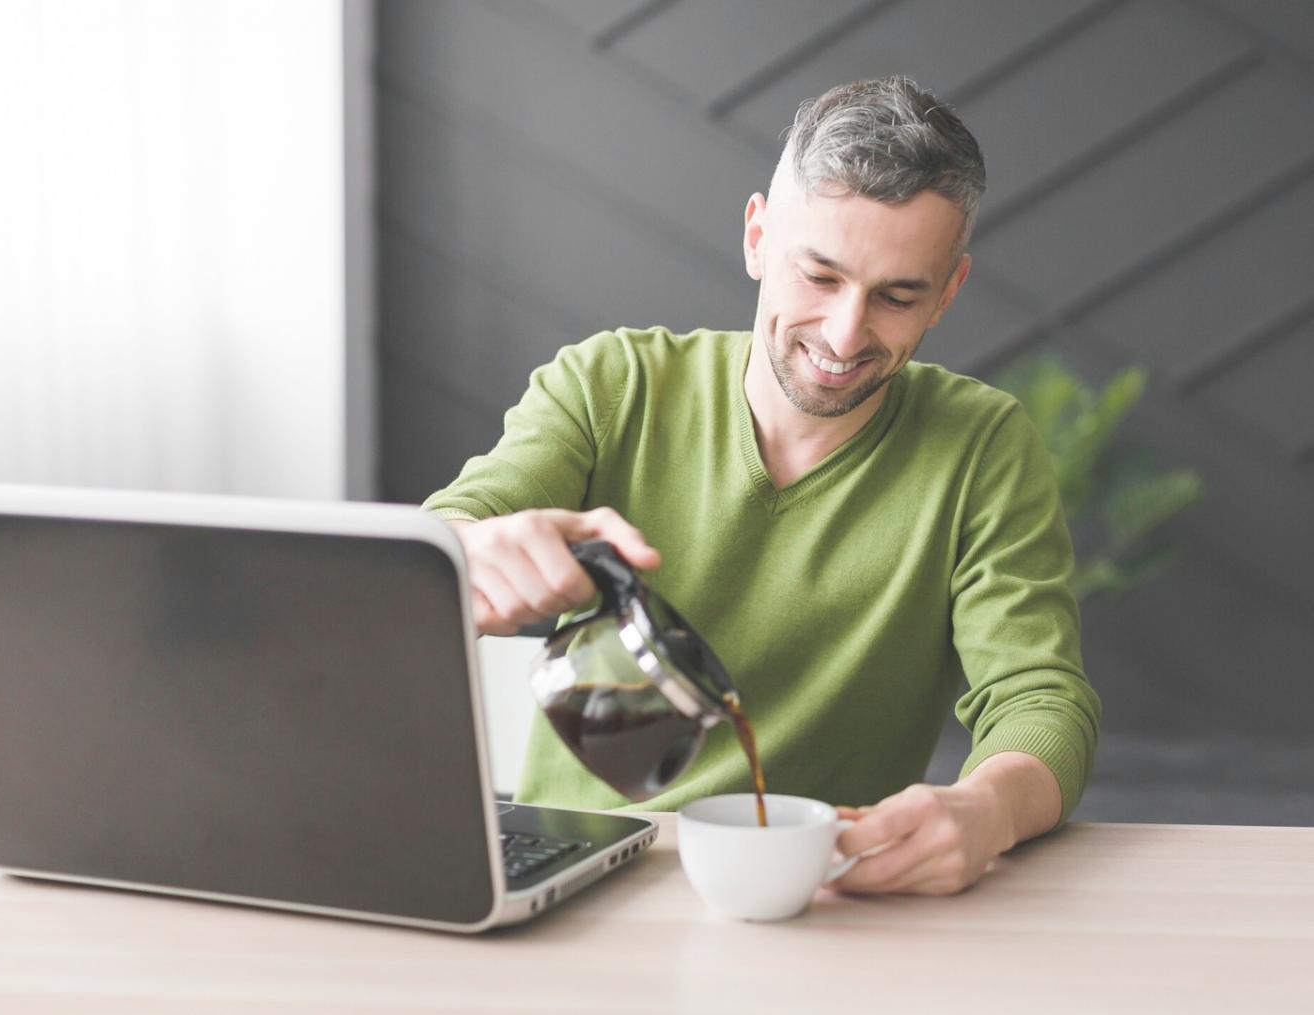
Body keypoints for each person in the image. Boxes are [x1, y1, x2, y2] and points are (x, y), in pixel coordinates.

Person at [423, 76, 1101, 896]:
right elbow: (450, 533)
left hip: (826, 891)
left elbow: (1039, 696)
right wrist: (464, 554)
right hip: (581, 874)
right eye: (819, 276)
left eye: (897, 295)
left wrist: (986, 808)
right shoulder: (610, 384)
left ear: (948, 293)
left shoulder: (982, 446)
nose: (846, 334)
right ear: (756, 237)